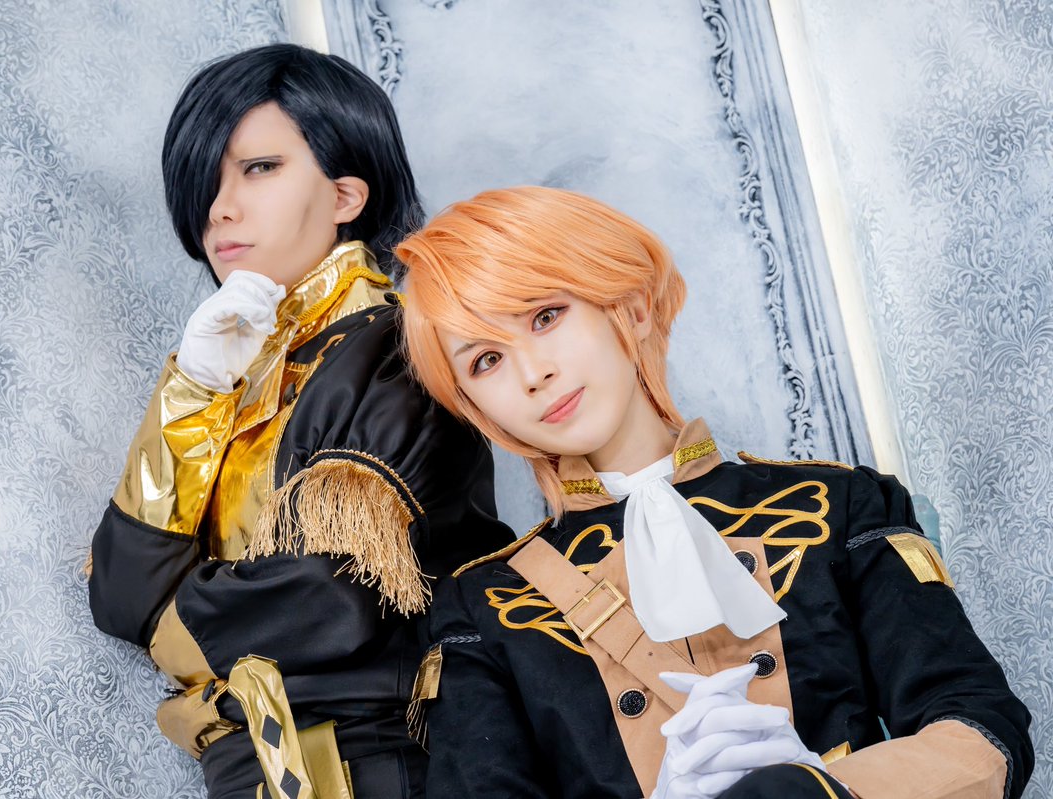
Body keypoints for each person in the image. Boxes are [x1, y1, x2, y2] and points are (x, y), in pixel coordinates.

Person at [396, 186, 1033, 799]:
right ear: (474, 405)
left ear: (631, 308)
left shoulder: (841, 504)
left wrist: (817, 790)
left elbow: (982, 733)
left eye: (545, 316)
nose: (534, 373)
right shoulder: (481, 607)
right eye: (485, 360)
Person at [87, 44, 512, 799]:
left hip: (376, 767)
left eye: (259, 168)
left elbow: (324, 599)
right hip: (250, 772)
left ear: (346, 195)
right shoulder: (232, 371)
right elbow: (119, 596)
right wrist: (192, 390)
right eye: (207, 180)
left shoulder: (396, 353)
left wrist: (165, 621)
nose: (219, 207)